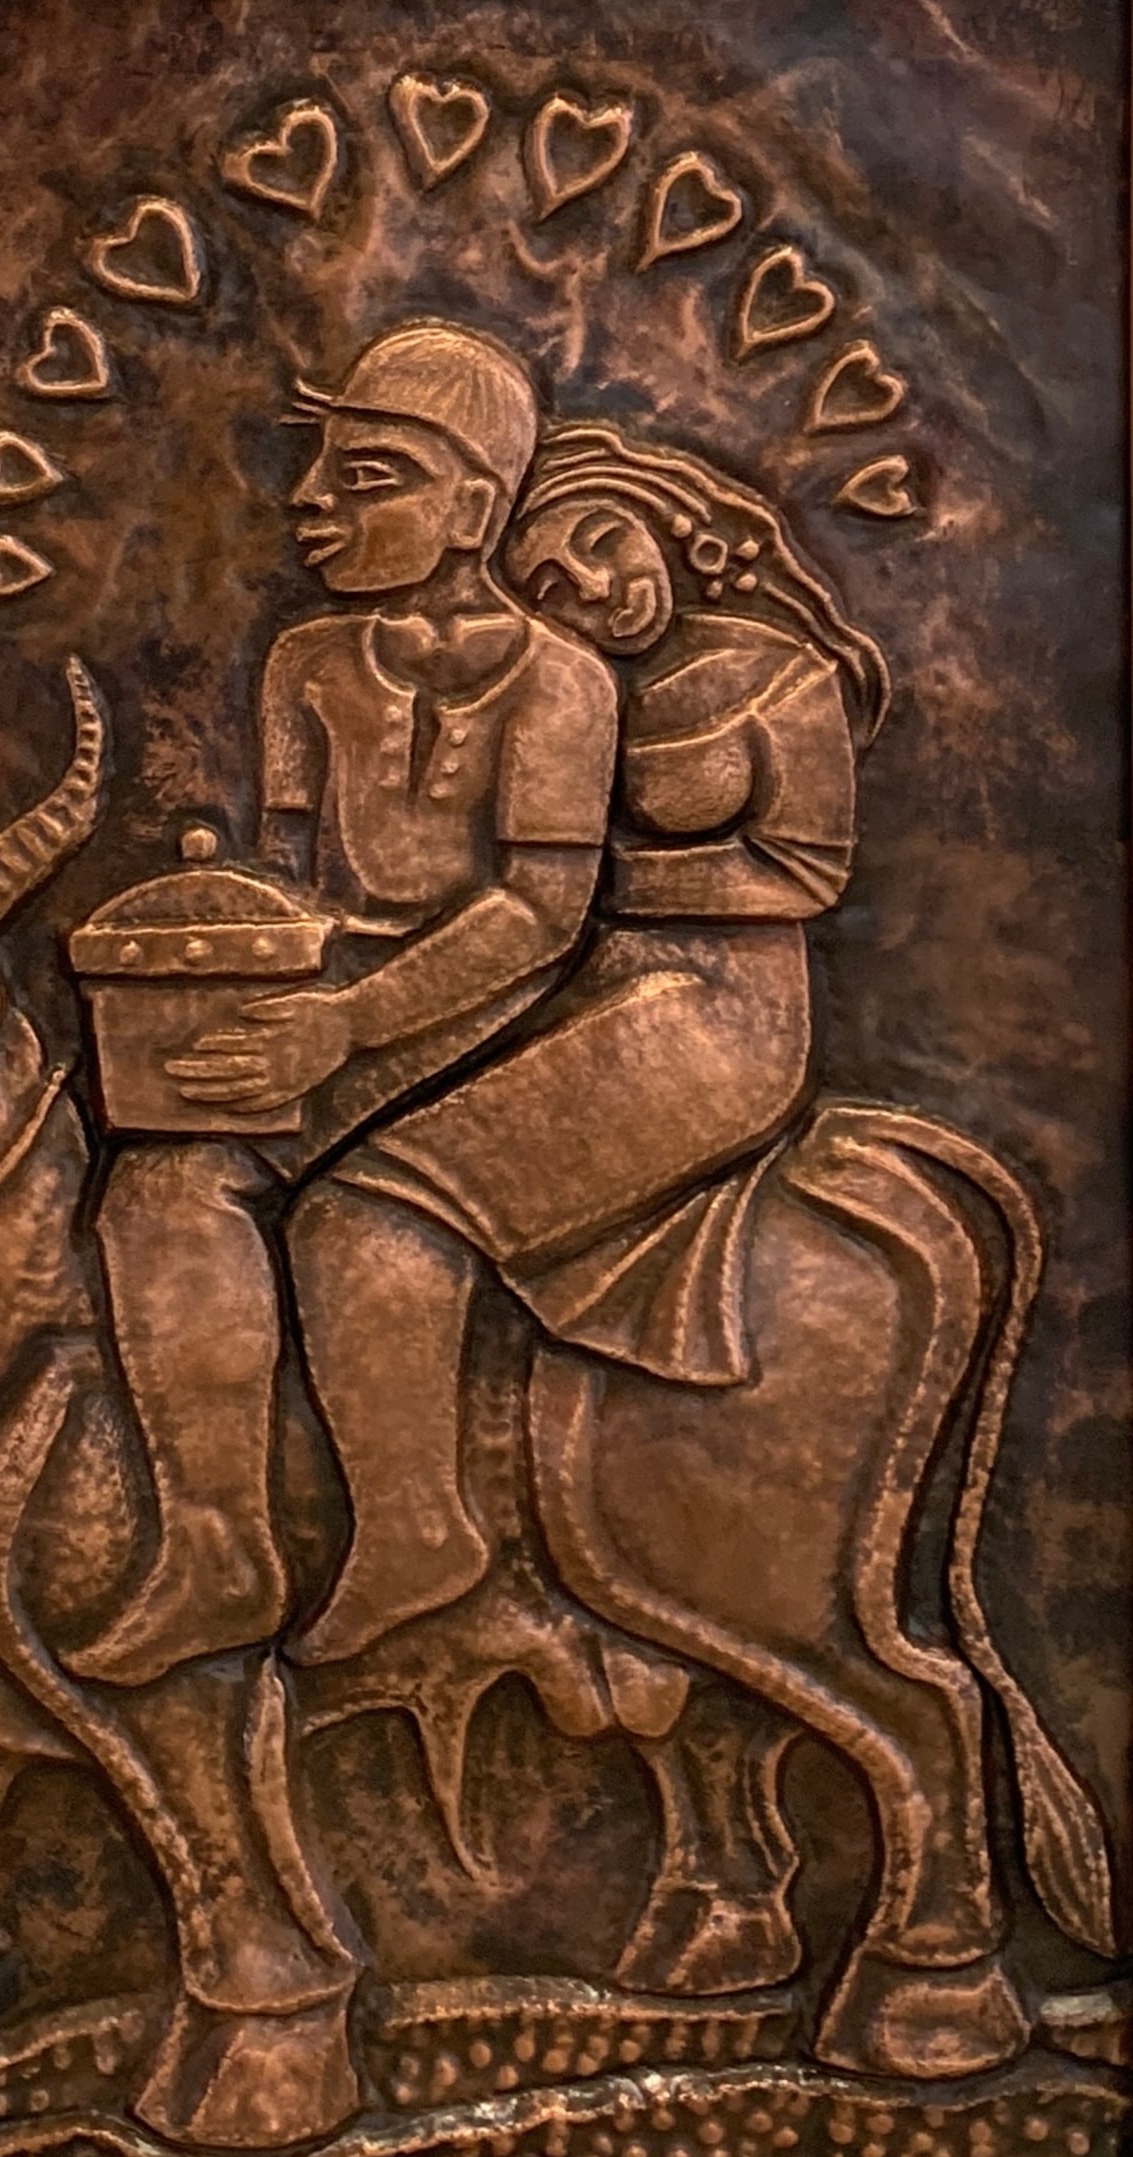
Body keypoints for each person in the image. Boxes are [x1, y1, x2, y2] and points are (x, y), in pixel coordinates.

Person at [284, 420, 889, 1665]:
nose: (590, 589)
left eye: (603, 543)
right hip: (577, 986)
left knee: (365, 1214)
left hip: (717, 1010)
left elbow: (804, 873)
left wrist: (599, 888)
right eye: (549, 583)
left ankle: (415, 1536)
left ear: (673, 523)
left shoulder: (780, 678)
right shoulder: (568, 686)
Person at [81, 323, 620, 1687]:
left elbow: (540, 916)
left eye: (368, 475)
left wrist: (353, 1021)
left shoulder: (563, 682)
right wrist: (235, 946)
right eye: (318, 468)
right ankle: (217, 1551)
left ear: (476, 510)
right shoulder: (308, 665)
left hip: (498, 1019)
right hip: (333, 997)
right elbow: (291, 875)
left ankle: (416, 1534)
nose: (312, 500)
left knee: (357, 1226)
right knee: (159, 1192)